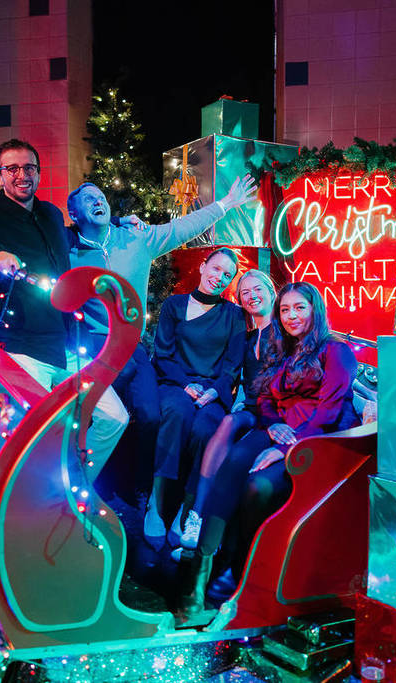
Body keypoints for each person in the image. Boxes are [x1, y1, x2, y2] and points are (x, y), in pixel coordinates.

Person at [65, 176, 256, 499]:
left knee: (151, 415)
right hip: (94, 346)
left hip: (133, 347)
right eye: (88, 199)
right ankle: (92, 486)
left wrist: (225, 204)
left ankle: (138, 488)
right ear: (74, 213)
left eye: (101, 197)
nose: (98, 201)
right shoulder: (68, 250)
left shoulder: (137, 238)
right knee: (98, 418)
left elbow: (183, 227)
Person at [184, 281, 359, 608]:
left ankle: (241, 571)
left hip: (315, 439)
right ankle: (202, 568)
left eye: (299, 308)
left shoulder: (337, 351)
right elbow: (264, 398)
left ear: (314, 310)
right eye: (285, 310)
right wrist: (275, 424)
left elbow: (328, 413)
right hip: (279, 428)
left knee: (258, 487)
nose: (291, 316)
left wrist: (282, 449)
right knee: (234, 459)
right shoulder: (281, 350)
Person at [0, 138, 127, 474]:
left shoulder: (51, 214)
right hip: (21, 350)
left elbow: (77, 238)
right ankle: (38, 503)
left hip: (67, 345)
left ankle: (74, 489)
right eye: (13, 168)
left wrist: (122, 225)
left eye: (30, 167)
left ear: (38, 173)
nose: (23, 174)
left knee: (114, 417)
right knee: (36, 437)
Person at [145, 248, 246, 549]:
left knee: (206, 430)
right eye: (215, 269)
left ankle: (186, 510)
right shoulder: (174, 305)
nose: (219, 278)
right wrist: (186, 385)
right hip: (175, 383)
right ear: (203, 267)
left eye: (227, 275)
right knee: (176, 413)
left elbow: (232, 365)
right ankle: (155, 501)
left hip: (213, 390)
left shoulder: (233, 315)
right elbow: (162, 354)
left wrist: (214, 390)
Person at [173, 268, 276, 552]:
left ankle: (203, 520)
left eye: (257, 289)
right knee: (225, 423)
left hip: (277, 411)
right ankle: (195, 514)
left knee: (232, 439)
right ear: (240, 301)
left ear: (271, 291)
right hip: (252, 408)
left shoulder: (285, 331)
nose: (252, 296)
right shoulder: (245, 338)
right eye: (245, 293)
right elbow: (231, 374)